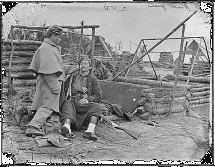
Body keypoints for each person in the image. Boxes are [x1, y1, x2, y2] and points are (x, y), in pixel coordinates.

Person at [24, 25, 78, 137]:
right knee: (48, 106)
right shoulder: (46, 49)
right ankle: (33, 126)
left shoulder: (50, 47)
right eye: (59, 36)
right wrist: (55, 87)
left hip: (49, 82)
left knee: (43, 105)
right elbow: (48, 71)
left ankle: (26, 113)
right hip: (50, 83)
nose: (60, 39)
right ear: (53, 35)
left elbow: (55, 66)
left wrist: (70, 68)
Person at [60, 54, 102, 141]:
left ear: (90, 67)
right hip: (72, 101)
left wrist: (87, 100)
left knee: (96, 108)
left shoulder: (93, 79)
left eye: (86, 63)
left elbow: (98, 95)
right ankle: (67, 128)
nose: (83, 65)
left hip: (84, 104)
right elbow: (64, 90)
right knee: (67, 106)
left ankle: (89, 131)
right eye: (82, 63)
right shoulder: (72, 77)